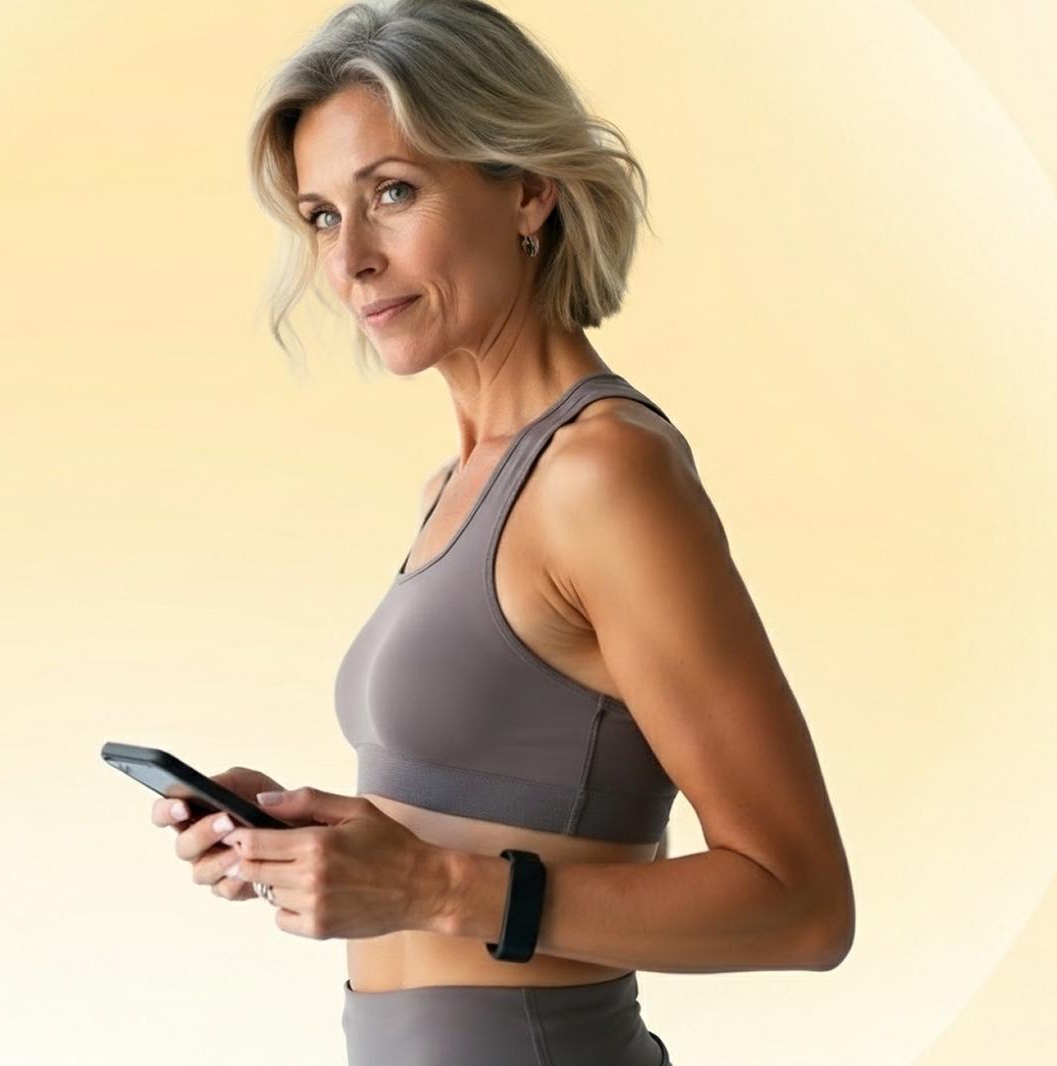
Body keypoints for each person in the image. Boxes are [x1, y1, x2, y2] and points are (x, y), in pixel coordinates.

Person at [151, 2, 855, 1062]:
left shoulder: (603, 473)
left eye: (391, 192)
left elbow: (800, 905)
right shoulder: (462, 483)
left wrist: (431, 884)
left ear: (526, 190)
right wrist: (312, 847)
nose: (352, 262)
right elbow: (482, 818)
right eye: (322, 216)